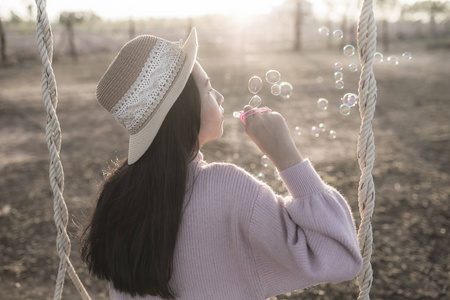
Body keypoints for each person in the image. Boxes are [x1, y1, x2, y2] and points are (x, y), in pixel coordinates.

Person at [80, 28, 362, 300]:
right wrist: (287, 157)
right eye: (208, 88)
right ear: (185, 108)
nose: (220, 97)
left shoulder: (117, 195)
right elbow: (339, 256)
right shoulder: (227, 188)